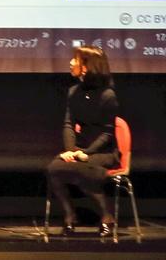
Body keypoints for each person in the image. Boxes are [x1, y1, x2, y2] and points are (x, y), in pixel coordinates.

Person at [46, 45, 119, 237]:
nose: (71, 63)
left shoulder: (107, 95)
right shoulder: (73, 92)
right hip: (80, 149)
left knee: (83, 168)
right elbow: (68, 124)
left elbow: (108, 133)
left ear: (86, 67)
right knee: (54, 168)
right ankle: (70, 216)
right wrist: (71, 150)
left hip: (103, 152)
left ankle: (106, 216)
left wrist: (86, 153)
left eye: (75, 60)